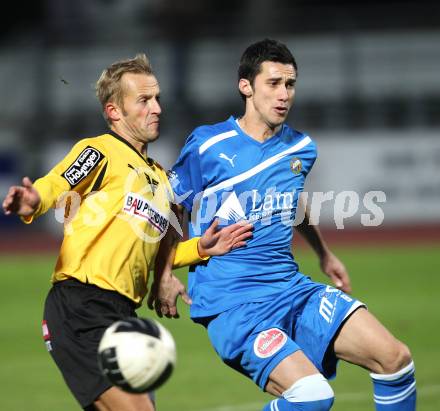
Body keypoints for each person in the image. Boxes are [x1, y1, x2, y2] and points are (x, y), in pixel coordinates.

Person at [150, 39, 416, 411]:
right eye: (273, 83)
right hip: (233, 304)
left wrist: (323, 253)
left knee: (396, 361)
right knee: (313, 399)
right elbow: (170, 209)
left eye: (289, 84)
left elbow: (292, 202)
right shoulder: (209, 145)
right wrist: (164, 273)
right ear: (246, 86)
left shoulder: (300, 148)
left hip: (290, 289)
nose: (284, 94)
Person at [2, 54, 252, 411]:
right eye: (144, 100)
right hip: (81, 306)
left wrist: (200, 249)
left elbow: (152, 254)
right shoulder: (100, 151)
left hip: (121, 313)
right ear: (114, 111)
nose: (157, 108)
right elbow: (57, 184)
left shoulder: (160, 177)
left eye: (158, 98)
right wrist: (31, 200)